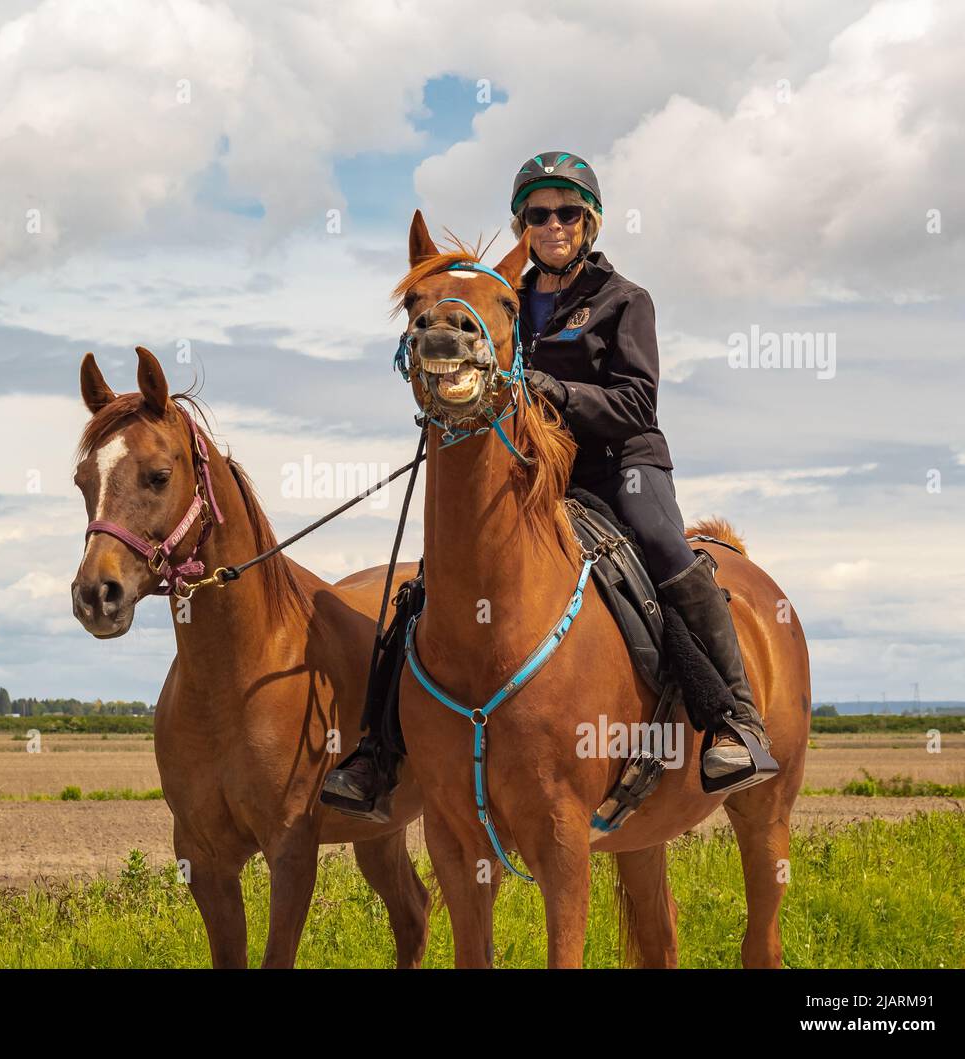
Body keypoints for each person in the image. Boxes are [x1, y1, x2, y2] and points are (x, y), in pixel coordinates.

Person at [322, 151, 772, 816]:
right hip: (533, 466)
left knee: (660, 542)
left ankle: (735, 718)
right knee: (432, 583)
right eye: (538, 213)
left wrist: (554, 388)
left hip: (621, 463)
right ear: (522, 226)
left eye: (566, 211)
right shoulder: (505, 298)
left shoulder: (626, 302)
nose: (552, 223)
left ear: (589, 222)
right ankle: (379, 751)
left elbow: (635, 402)